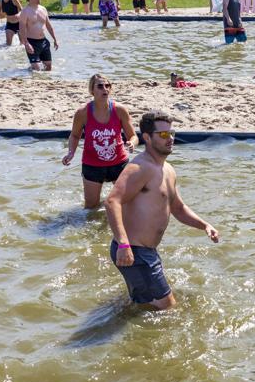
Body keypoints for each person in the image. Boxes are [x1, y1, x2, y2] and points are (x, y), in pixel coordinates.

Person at [104, 111, 220, 311]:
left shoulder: (168, 170)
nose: (171, 138)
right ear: (147, 137)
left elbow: (178, 208)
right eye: (164, 135)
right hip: (133, 250)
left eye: (171, 133)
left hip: (146, 251)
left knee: (145, 305)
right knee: (167, 307)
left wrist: (205, 225)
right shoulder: (140, 168)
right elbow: (112, 201)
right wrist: (123, 244)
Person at [63, 74, 136, 209]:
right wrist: (71, 153)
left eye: (107, 86)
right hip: (92, 165)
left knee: (127, 203)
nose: (105, 89)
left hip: (118, 163)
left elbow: (133, 136)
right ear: (92, 90)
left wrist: (132, 143)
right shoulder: (83, 112)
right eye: (100, 86)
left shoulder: (120, 110)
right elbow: (74, 136)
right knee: (91, 207)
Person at [19, 0, 59, 72]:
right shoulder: (25, 11)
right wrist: (26, 43)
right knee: (36, 70)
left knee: (48, 68)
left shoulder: (43, 9)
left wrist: (55, 39)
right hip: (32, 42)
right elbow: (21, 28)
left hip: (43, 41)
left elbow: (48, 25)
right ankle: (30, 69)